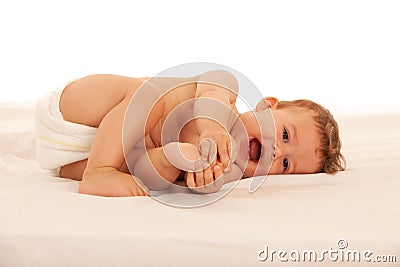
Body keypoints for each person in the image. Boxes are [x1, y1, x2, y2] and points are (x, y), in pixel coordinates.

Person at [35, 70, 345, 197]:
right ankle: (99, 172)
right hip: (82, 108)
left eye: (286, 165)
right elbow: (210, 98)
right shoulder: (226, 91)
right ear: (267, 106)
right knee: (152, 95)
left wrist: (205, 178)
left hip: (73, 157)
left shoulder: (233, 169)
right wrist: (212, 127)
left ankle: (101, 170)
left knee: (165, 170)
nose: (278, 151)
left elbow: (206, 185)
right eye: (286, 136)